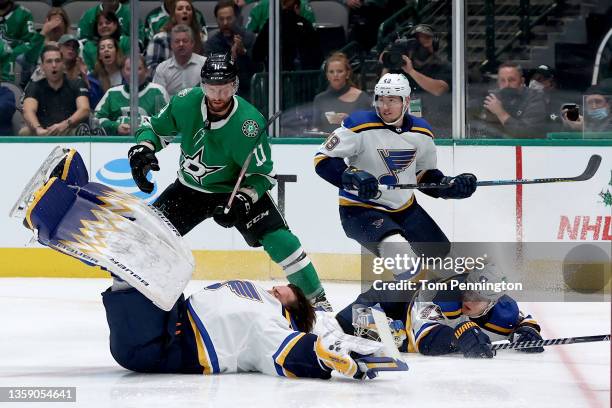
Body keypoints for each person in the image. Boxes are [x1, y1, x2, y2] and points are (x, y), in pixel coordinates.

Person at [17, 148, 403, 380]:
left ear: (292, 306)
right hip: (170, 316)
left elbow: (288, 353)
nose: (281, 285)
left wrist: (324, 357)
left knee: (148, 260)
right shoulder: (258, 296)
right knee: (160, 239)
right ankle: (78, 195)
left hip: (161, 347)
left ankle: (52, 222)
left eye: (289, 290)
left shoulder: (270, 323)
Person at [131, 53, 332, 310]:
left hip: (232, 190)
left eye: (224, 89)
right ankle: (136, 292)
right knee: (149, 236)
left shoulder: (249, 123)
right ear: (202, 85)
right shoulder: (184, 102)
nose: (217, 96)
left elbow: (261, 175)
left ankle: (317, 302)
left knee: (282, 241)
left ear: (234, 86)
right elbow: (156, 129)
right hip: (189, 189)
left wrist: (242, 200)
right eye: (211, 88)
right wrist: (144, 149)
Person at [314, 73, 477, 280]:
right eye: (381, 99)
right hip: (360, 210)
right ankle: (413, 309)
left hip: (406, 210)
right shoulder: (358, 125)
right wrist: (352, 176)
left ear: (406, 101)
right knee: (401, 254)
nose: (384, 106)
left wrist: (450, 186)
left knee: (450, 267)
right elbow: (322, 160)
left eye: (391, 100)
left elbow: (423, 176)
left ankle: (465, 310)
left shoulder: (422, 132)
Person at [335, 264, 545, 358]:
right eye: (469, 292)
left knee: (396, 338)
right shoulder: (442, 298)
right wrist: (459, 335)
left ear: (492, 303)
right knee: (347, 320)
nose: (470, 300)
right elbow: (424, 340)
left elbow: (523, 320)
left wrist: (526, 332)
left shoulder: (504, 309)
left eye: (479, 298)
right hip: (401, 300)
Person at [381, 24, 452, 137]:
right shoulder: (399, 69)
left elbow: (439, 89)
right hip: (403, 132)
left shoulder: (443, 66)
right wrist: (388, 63)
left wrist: (412, 71)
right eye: (418, 40)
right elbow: (383, 95)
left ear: (435, 43)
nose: (421, 44)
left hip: (436, 131)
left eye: (427, 39)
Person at [20, 45, 90, 136]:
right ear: (42, 66)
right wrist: (38, 129)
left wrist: (64, 124)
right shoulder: (35, 86)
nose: (54, 65)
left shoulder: (77, 83)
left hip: (69, 129)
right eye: (49, 61)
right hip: (44, 131)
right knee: (24, 132)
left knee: (79, 131)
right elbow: (28, 111)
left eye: (57, 61)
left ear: (63, 64)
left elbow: (84, 109)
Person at [95, 56, 169, 135]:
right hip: (116, 143)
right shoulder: (112, 93)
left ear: (146, 71)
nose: (133, 72)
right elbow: (96, 119)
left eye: (138, 68)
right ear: (122, 72)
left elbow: (167, 120)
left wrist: (148, 128)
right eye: (128, 69)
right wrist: (115, 127)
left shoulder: (157, 91)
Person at [476, 61, 547, 138]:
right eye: (502, 80)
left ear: (522, 81)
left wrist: (500, 113)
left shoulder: (535, 98)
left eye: (511, 80)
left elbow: (528, 133)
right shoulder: (493, 98)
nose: (507, 85)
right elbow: (481, 132)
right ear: (498, 82)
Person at [204, 0, 255, 99]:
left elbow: (259, 68)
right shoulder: (211, 44)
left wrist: (243, 52)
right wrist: (231, 57)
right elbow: (212, 73)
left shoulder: (248, 37)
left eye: (229, 18)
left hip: (249, 92)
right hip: (222, 94)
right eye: (221, 19)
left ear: (236, 18)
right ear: (216, 20)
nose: (225, 23)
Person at [252, 0, 321, 71]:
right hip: (301, 76)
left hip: (275, 75)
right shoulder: (306, 25)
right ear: (296, 7)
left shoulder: (270, 24)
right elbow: (317, 56)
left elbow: (257, 54)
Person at [312, 51, 371, 133]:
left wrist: (349, 120)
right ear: (327, 76)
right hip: (326, 143)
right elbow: (315, 127)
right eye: (331, 72)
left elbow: (371, 127)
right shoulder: (320, 99)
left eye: (339, 71)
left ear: (347, 74)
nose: (335, 75)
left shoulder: (362, 97)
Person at [146, 0, 206, 77]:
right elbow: (151, 69)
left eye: (188, 9)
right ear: (173, 15)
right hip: (167, 84)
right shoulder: (160, 39)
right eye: (180, 9)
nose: (185, 11)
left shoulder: (200, 39)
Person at [152, 24, 206, 96]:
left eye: (185, 41)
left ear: (192, 43)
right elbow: (158, 98)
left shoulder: (205, 64)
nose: (181, 44)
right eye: (177, 41)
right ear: (171, 45)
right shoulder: (162, 69)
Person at [0, 0, 37, 85]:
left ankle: (22, 87)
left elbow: (30, 43)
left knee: (25, 58)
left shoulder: (24, 14)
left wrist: (11, 52)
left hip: (15, 52)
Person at [77, 0, 144, 44]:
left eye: (108, 22)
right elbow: (82, 43)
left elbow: (139, 43)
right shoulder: (89, 15)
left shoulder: (131, 14)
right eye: (100, 23)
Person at [246, 0, 315, 34]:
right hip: (267, 55)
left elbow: (313, 37)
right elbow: (248, 35)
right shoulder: (261, 6)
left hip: (297, 54)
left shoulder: (303, 6)